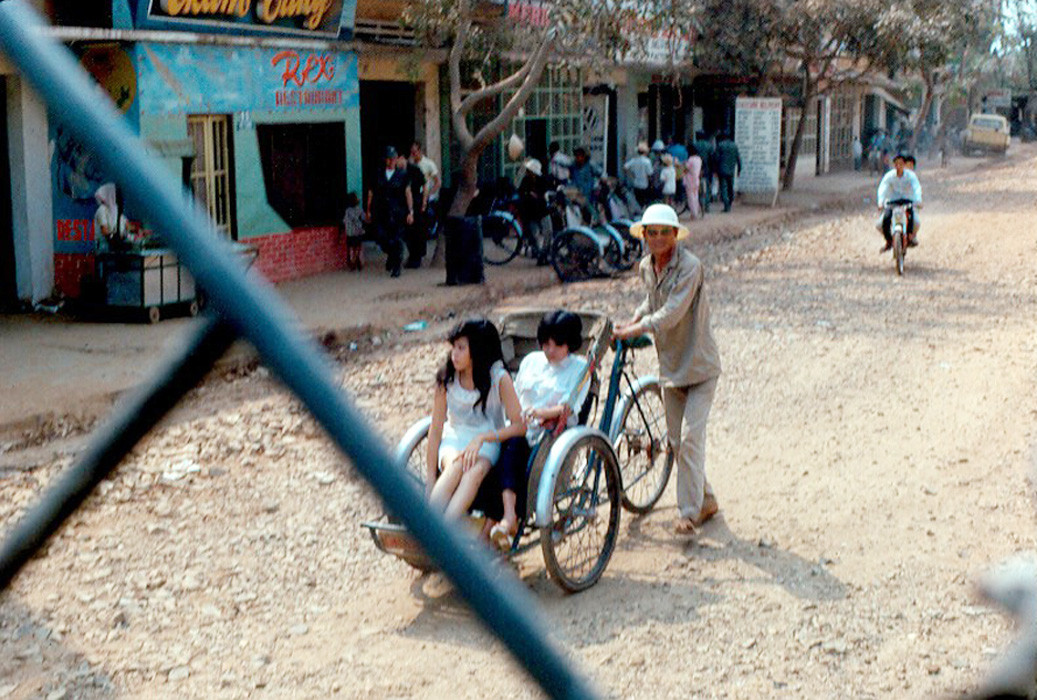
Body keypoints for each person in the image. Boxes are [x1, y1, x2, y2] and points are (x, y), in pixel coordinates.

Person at [613, 204, 722, 536]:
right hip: (671, 367)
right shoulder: (647, 266)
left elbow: (671, 312)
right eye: (652, 233)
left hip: (700, 366)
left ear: (675, 235)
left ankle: (687, 513)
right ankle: (706, 500)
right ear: (644, 236)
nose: (658, 239)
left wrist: (635, 330)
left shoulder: (691, 267)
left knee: (690, 438)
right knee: (677, 443)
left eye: (664, 232)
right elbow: (653, 299)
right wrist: (633, 317)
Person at [477, 310, 590, 551]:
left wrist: (540, 413)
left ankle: (501, 522)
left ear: (569, 343)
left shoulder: (580, 369)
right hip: (519, 427)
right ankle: (496, 524)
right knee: (493, 453)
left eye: (557, 345)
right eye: (545, 344)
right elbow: (514, 397)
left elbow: (569, 407)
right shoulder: (531, 362)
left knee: (513, 448)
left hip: (549, 437)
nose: (549, 350)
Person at [427, 319, 526, 525]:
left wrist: (482, 438)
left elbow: (520, 425)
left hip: (487, 440)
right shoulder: (447, 379)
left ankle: (443, 530)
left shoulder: (499, 378)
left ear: (478, 350)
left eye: (461, 348)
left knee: (474, 473)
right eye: (454, 347)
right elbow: (436, 429)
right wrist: (429, 480)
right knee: (456, 465)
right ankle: (429, 524)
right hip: (455, 437)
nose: (454, 353)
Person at [365, 146, 413, 278]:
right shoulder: (378, 174)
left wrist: (410, 211)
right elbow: (371, 192)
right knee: (381, 238)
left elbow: (407, 193)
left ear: (396, 159)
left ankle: (396, 266)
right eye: (388, 159)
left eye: (393, 159)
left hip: (397, 212)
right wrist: (368, 210)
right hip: (381, 211)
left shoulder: (402, 175)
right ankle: (392, 254)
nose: (391, 161)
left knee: (397, 239)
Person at [876, 152, 922, 252]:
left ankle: (910, 237)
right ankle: (889, 241)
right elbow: (883, 188)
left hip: (908, 202)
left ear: (904, 165)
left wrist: (918, 200)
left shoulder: (910, 176)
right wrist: (880, 202)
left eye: (901, 164)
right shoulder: (889, 176)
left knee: (916, 222)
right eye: (896, 164)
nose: (898, 166)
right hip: (892, 203)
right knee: (882, 222)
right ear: (894, 165)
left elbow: (916, 187)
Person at [397, 154, 427, 269]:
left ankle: (416, 258)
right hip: (402, 205)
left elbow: (424, 185)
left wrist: (424, 201)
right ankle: (412, 256)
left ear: (402, 158)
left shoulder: (414, 170)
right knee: (406, 233)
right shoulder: (397, 172)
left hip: (417, 203)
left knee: (416, 231)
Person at [93, 182, 131, 251]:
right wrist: (117, 236)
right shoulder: (102, 210)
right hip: (104, 248)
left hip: (115, 247)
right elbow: (104, 231)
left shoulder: (116, 211)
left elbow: (127, 225)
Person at [569, 147, 601, 219]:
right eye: (576, 156)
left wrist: (597, 186)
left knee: (588, 211)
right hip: (577, 193)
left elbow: (600, 174)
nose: (578, 158)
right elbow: (571, 177)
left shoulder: (590, 165)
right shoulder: (573, 166)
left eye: (580, 156)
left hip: (588, 193)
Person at [714, 132, 741, 212]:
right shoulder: (734, 146)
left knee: (723, 188)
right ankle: (730, 201)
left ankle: (726, 205)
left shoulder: (720, 145)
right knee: (730, 187)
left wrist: (715, 169)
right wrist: (739, 169)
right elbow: (738, 159)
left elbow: (716, 158)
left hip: (722, 170)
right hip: (731, 170)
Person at [623, 142, 654, 208]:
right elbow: (650, 174)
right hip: (645, 184)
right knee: (644, 202)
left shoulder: (634, 160)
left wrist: (631, 174)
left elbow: (625, 167)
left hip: (636, 183)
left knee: (637, 201)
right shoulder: (647, 162)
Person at [341, 191, 365, 271]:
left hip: (350, 233)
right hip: (358, 232)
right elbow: (364, 218)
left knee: (351, 248)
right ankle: (357, 260)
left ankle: (352, 261)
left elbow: (344, 221)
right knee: (358, 247)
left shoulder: (347, 211)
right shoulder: (359, 209)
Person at [903, 154, 923, 240]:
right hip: (896, 204)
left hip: (910, 204)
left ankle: (912, 235)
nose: (909, 167)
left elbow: (917, 190)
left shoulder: (914, 178)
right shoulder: (895, 176)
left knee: (916, 222)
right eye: (907, 165)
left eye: (911, 165)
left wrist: (918, 200)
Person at [694, 132, 715, 213]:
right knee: (707, 188)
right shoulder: (709, 146)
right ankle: (707, 205)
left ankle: (699, 204)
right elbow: (712, 159)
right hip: (707, 169)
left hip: (696, 169)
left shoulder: (695, 145)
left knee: (697, 187)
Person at [683, 144, 703, 220]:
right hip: (696, 179)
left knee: (690, 197)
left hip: (690, 179)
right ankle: (696, 212)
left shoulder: (691, 159)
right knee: (695, 196)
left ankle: (694, 213)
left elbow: (686, 168)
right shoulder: (699, 159)